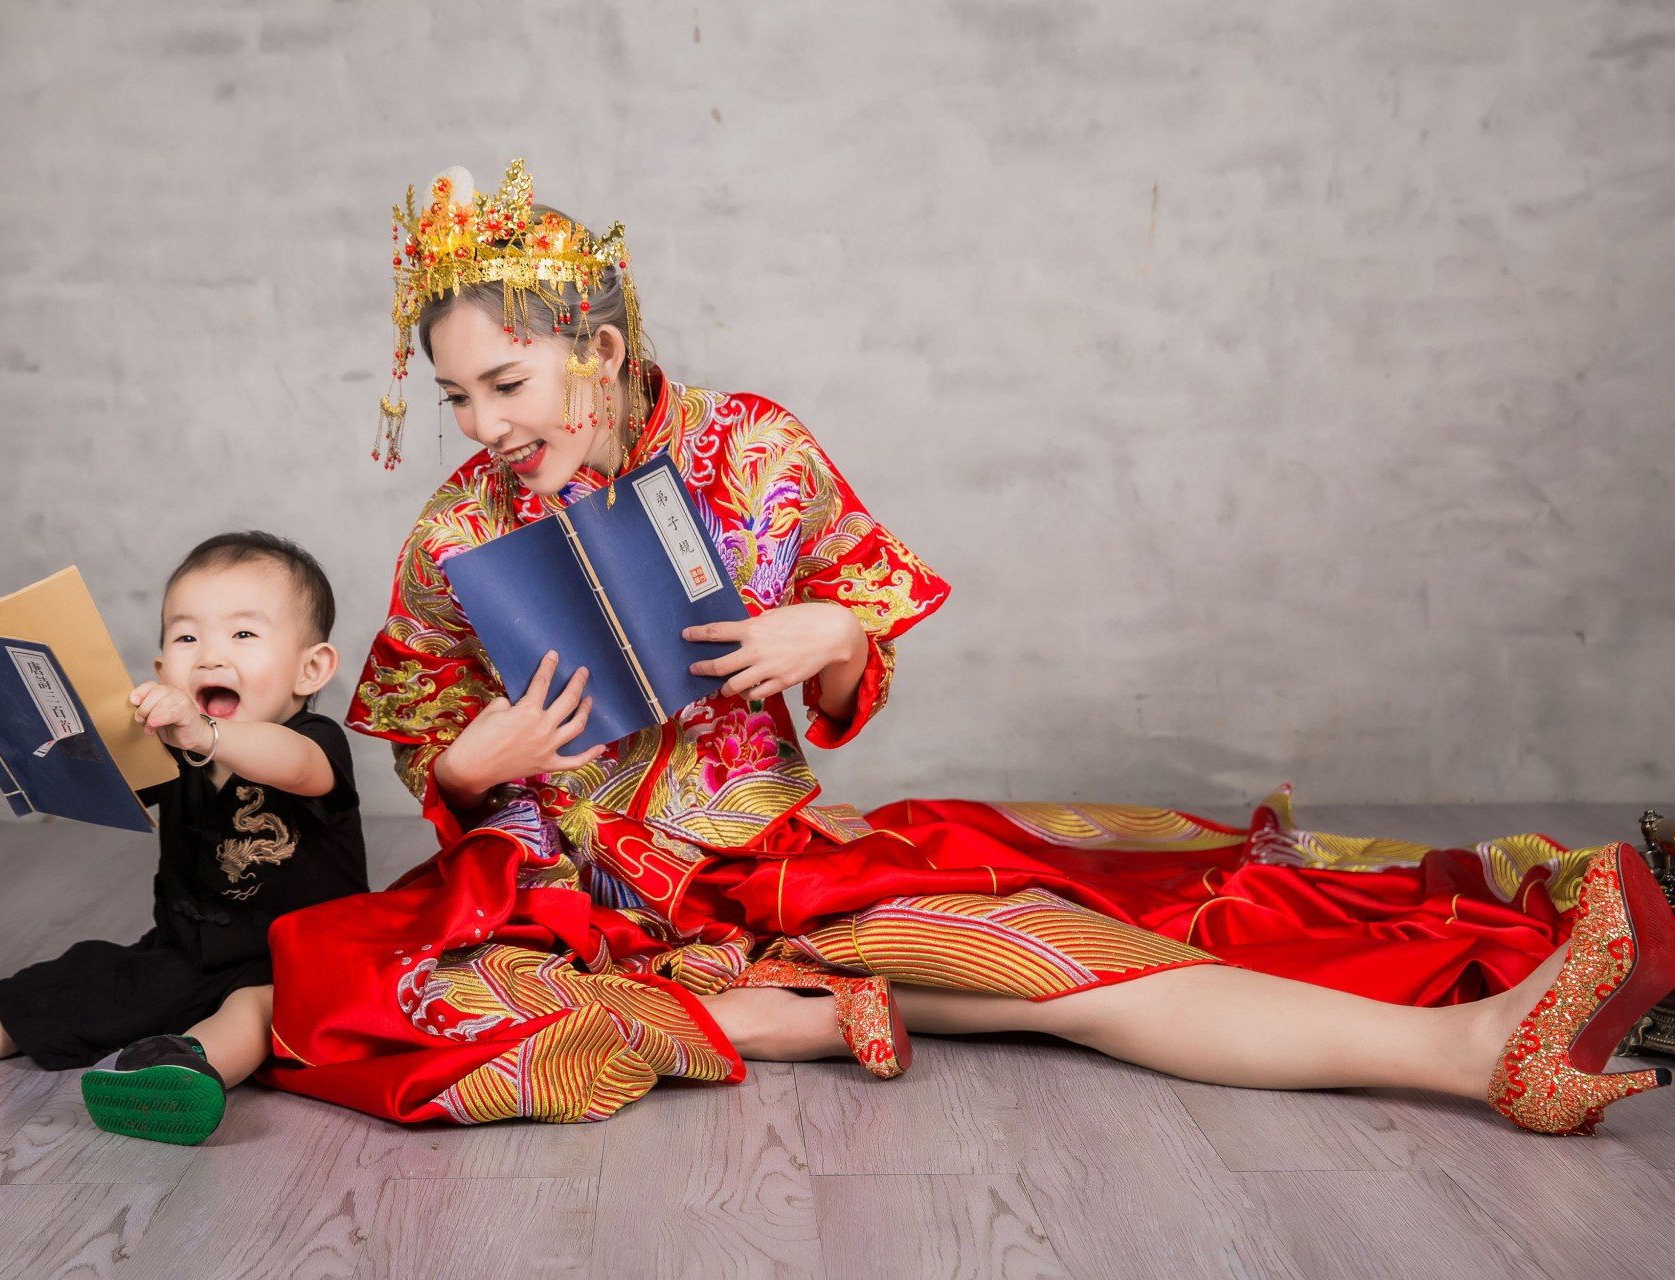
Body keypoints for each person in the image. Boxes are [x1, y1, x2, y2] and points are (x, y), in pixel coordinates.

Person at [258, 160, 1673, 1136]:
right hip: (567, 886)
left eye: (506, 383)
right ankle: (1480, 1052)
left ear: (601, 351)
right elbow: (424, 731)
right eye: (455, 397)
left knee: (1053, 945)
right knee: (372, 996)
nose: (484, 426)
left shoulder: (755, 446)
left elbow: (856, 631)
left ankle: (1476, 1048)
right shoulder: (458, 528)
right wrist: (471, 764)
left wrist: (829, 632)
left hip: (767, 850)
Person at [0, 531, 370, 1146]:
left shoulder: (313, 743)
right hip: (184, 953)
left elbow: (294, 765)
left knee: (256, 1007)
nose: (210, 657)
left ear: (310, 668)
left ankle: (182, 1069)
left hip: (301, 965)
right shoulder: (171, 747)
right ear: (162, 670)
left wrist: (203, 730)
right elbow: (74, 771)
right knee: (72, 982)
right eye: (187, 638)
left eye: (243, 634)